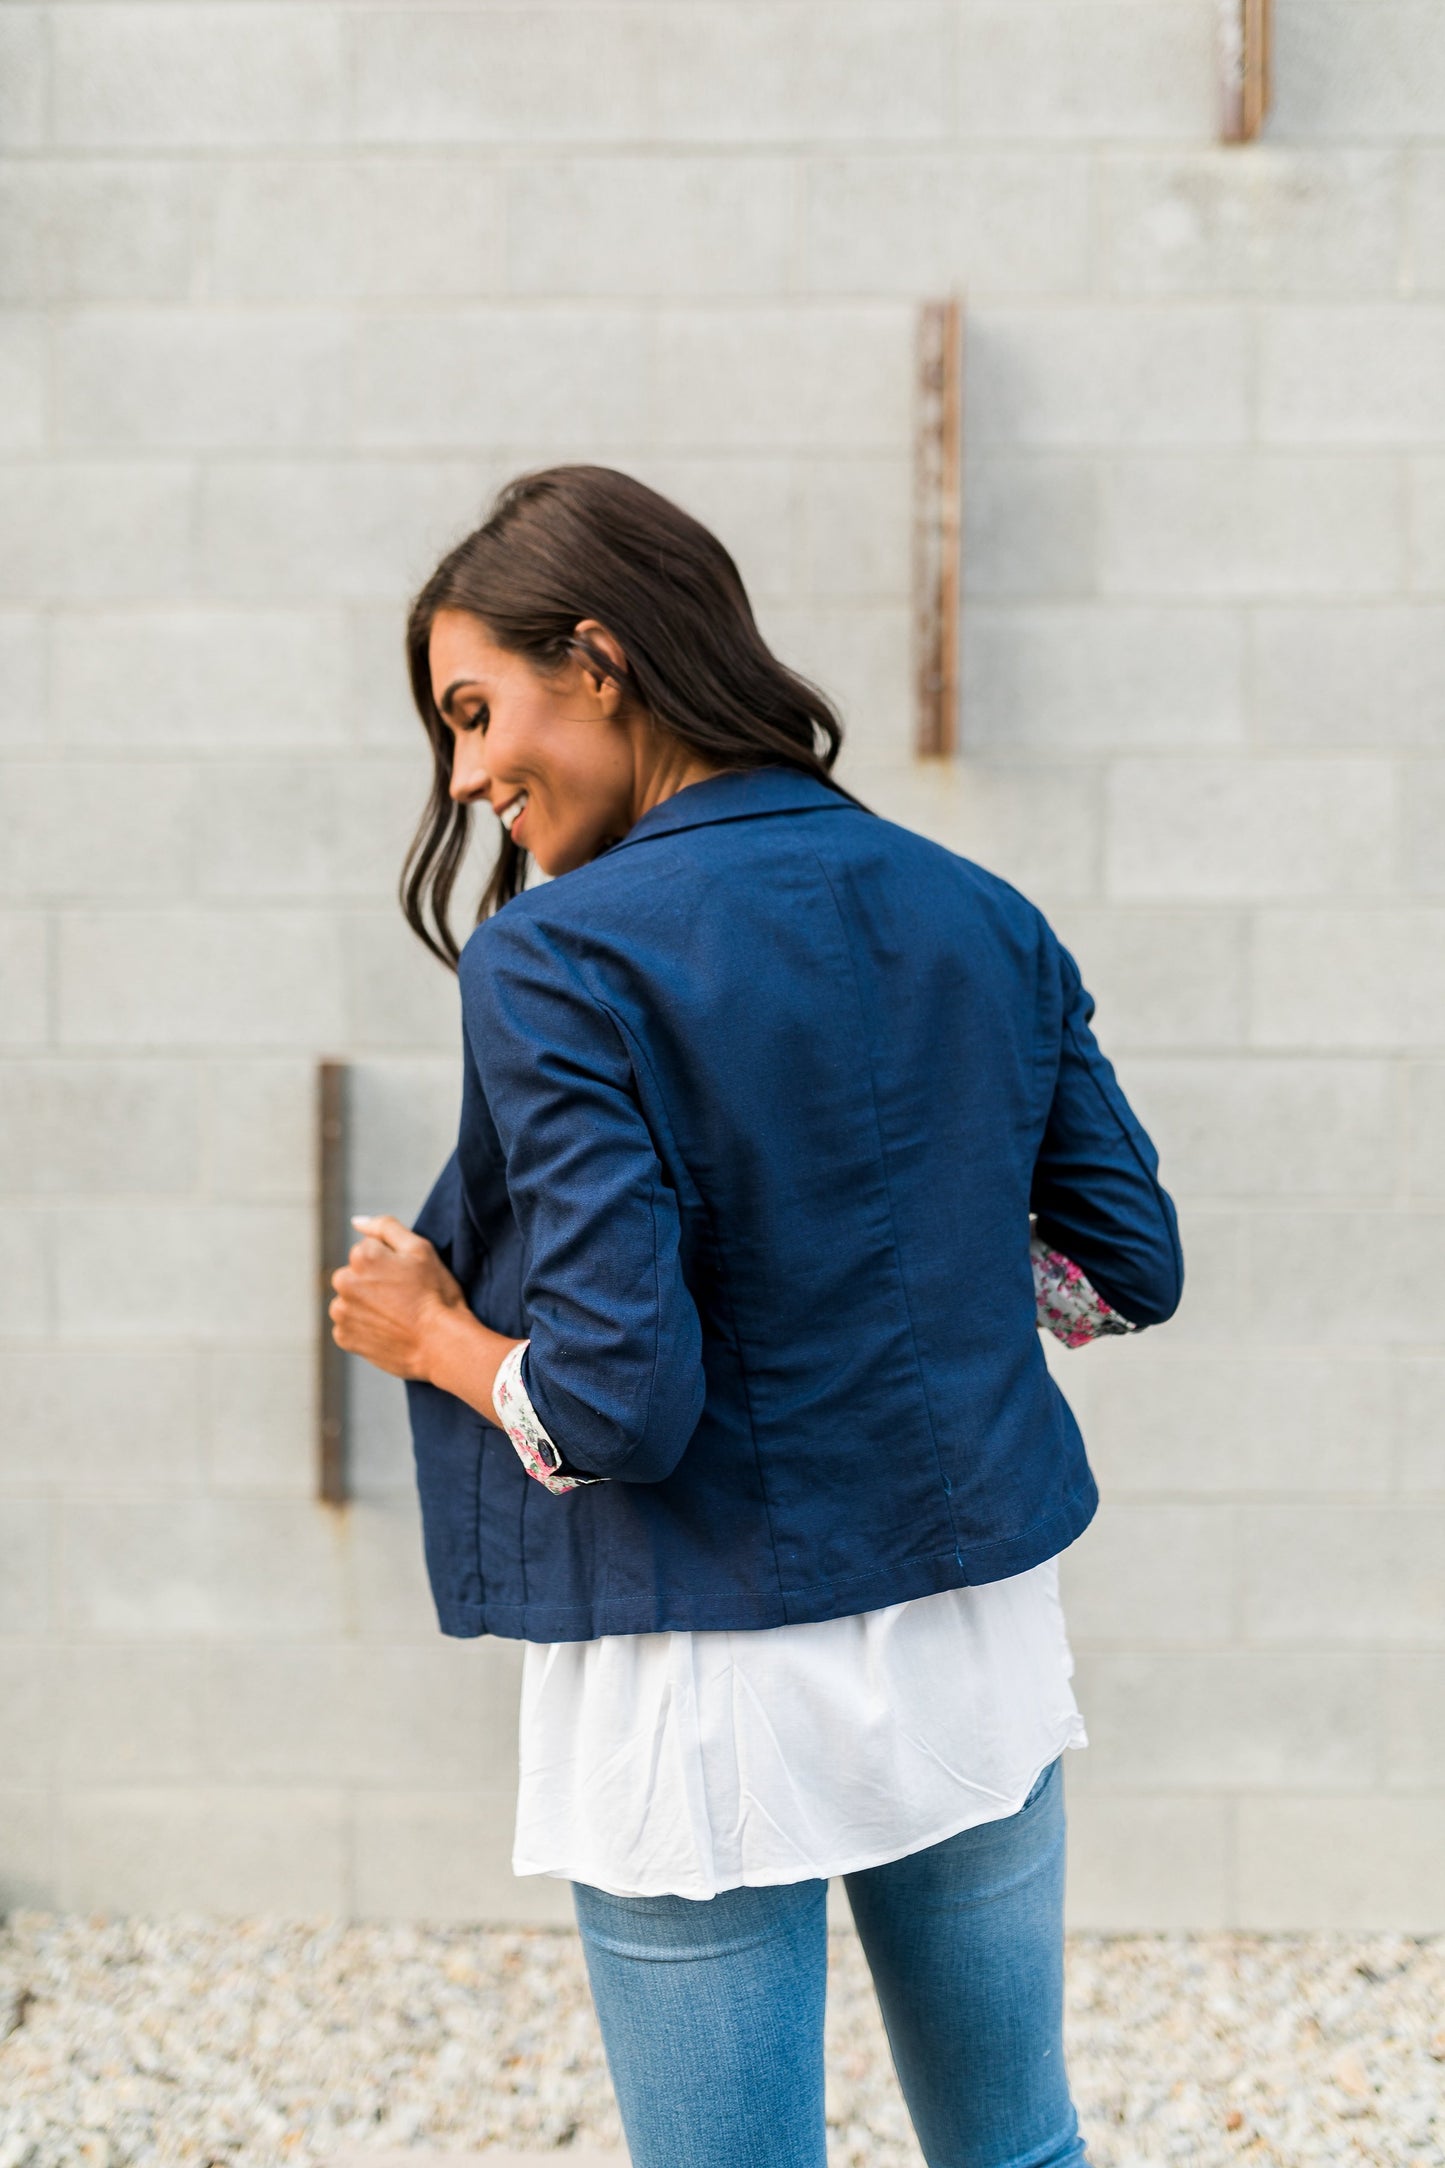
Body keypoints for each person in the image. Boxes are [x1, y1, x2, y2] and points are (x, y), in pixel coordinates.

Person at [329, 464, 1183, 2168]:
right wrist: (916, 1251)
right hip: (968, 1634)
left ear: (601, 654)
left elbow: (613, 1410)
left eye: (477, 708)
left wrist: (435, 1340)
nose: (466, 772)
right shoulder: (976, 909)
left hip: (695, 1673)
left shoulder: (560, 959)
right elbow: (1122, 1267)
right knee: (1015, 2148)